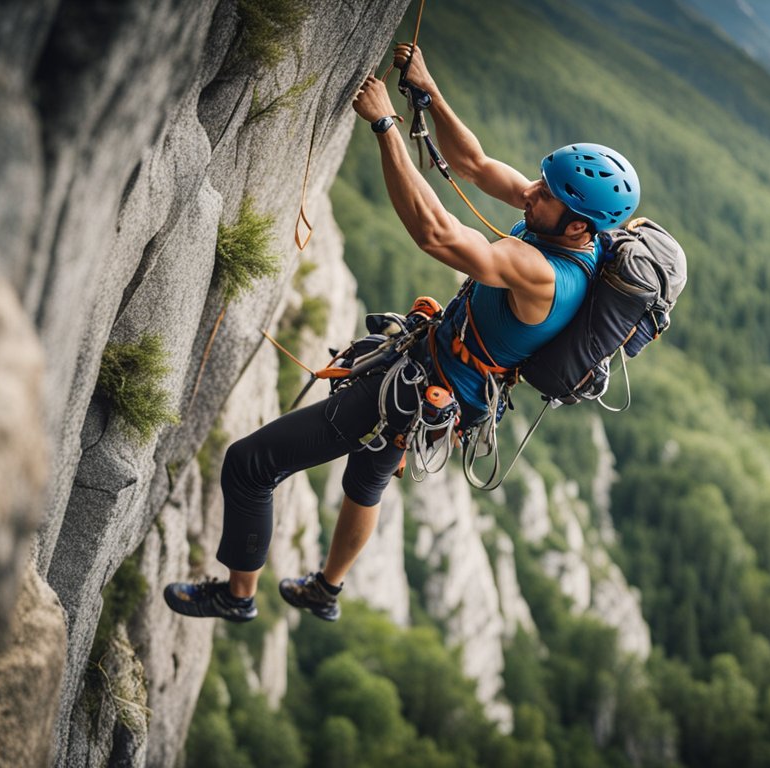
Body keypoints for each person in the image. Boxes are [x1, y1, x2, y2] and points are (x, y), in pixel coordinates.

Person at [163, 43, 641, 623]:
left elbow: (438, 235)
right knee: (366, 482)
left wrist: (387, 124)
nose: (531, 193)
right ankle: (326, 589)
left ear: (576, 222)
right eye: (541, 183)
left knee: (249, 464)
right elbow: (477, 165)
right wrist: (427, 88)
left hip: (419, 391)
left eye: (546, 194)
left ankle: (236, 597)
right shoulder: (569, 229)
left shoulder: (543, 272)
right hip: (439, 382)